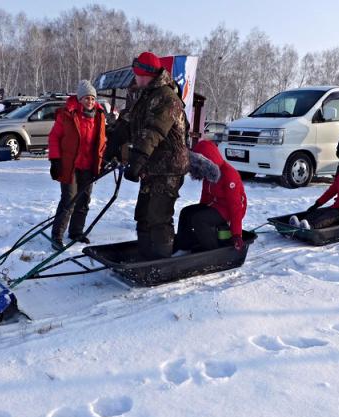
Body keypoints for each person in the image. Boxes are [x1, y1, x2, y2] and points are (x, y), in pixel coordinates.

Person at [112, 51, 190, 260]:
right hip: (152, 165)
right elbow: (129, 121)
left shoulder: (166, 97)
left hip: (169, 168)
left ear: (145, 74)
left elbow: (153, 131)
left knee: (158, 216)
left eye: (136, 74)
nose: (134, 78)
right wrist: (113, 143)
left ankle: (161, 261)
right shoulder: (144, 94)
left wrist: (137, 159)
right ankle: (146, 255)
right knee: (143, 214)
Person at [47, 80, 107, 250]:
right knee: (69, 200)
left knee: (84, 200)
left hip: (88, 166)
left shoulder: (99, 116)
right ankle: (56, 236)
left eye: (93, 98)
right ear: (80, 99)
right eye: (87, 98)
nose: (90, 101)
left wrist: (103, 160)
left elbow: (102, 141)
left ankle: (76, 232)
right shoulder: (67, 115)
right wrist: (55, 160)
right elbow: (54, 138)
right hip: (69, 166)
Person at [174, 140, 247, 252]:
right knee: (186, 213)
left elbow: (235, 206)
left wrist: (237, 234)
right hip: (215, 205)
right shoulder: (208, 172)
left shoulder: (229, 175)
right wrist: (200, 209)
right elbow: (206, 194)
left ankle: (211, 249)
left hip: (229, 209)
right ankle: (184, 244)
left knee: (200, 219)